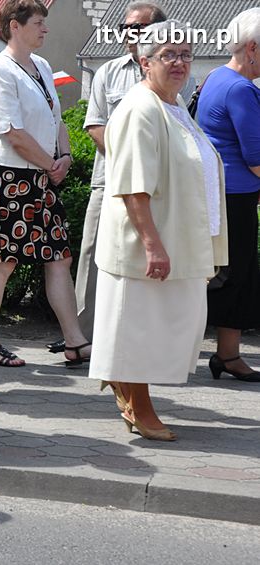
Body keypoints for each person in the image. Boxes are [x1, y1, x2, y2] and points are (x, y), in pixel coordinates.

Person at [90, 20, 227, 441]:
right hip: (146, 242)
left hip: (177, 236)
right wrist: (153, 245)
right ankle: (137, 401)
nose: (180, 62)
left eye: (186, 55)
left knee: (166, 324)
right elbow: (133, 186)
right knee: (139, 326)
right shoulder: (140, 108)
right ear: (144, 61)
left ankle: (130, 387)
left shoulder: (174, 105)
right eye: (169, 55)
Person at [0, 0, 90, 368]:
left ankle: (75, 341)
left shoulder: (40, 65)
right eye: (39, 23)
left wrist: (66, 156)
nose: (45, 29)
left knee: (59, 257)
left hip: (42, 175)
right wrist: (51, 164)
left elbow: (56, 119)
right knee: (2, 263)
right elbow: (12, 133)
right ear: (14, 27)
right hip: (10, 177)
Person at [72, 2, 167, 348]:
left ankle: (142, 338)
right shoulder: (107, 72)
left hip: (156, 184)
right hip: (109, 179)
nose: (129, 34)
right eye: (126, 27)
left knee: (150, 252)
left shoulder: (172, 74)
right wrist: (128, 159)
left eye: (137, 28)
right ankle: (81, 337)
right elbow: (95, 125)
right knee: (92, 253)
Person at [196, 8, 260, 383]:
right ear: (252, 48)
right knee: (233, 278)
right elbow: (256, 160)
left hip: (221, 195)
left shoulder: (216, 76)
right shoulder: (240, 89)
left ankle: (228, 355)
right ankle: (224, 355)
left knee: (232, 276)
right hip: (234, 198)